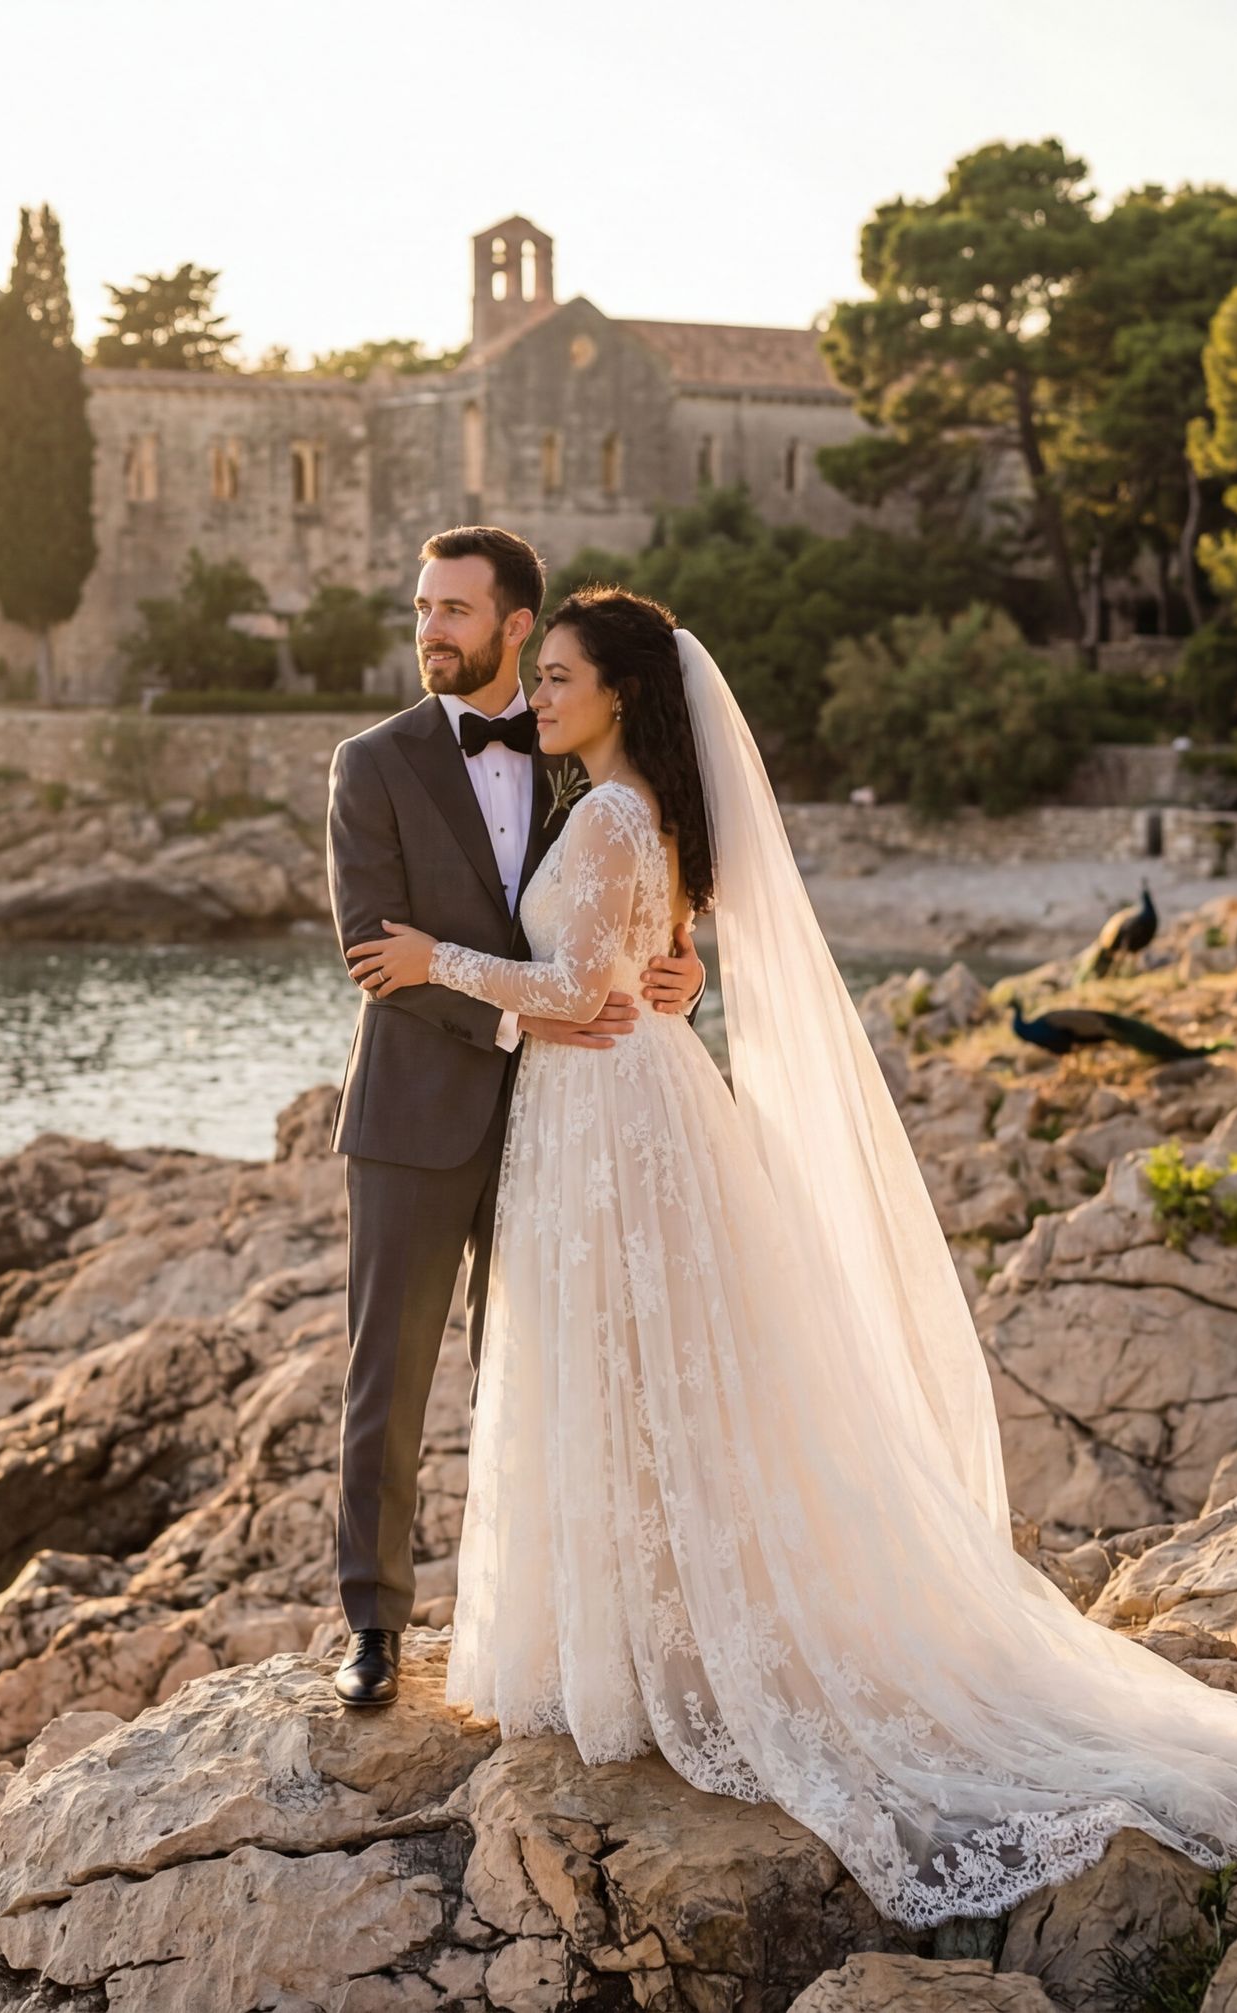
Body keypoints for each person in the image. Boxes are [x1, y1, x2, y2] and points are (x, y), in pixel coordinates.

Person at [344, 587, 1237, 1927]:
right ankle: (656, 1632)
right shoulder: (637, 806)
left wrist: (444, 959)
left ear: (618, 695)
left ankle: (656, 1650)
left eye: (555, 678)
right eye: (534, 679)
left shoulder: (607, 813)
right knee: (645, 1376)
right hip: (618, 1109)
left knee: (625, 1370)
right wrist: (667, 972)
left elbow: (583, 998)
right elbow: (650, 964)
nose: (534, 698)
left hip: (605, 1116)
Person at [322, 527, 702, 1709]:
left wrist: (688, 979)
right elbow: (376, 955)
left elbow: (632, 914)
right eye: (422, 607)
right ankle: (375, 1627)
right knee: (387, 1376)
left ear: (517, 625)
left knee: (543, 1369)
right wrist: (516, 1023)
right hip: (419, 1109)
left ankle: (539, 1617)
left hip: (567, 1123)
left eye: (455, 611)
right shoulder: (371, 763)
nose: (431, 629)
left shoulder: (573, 747)